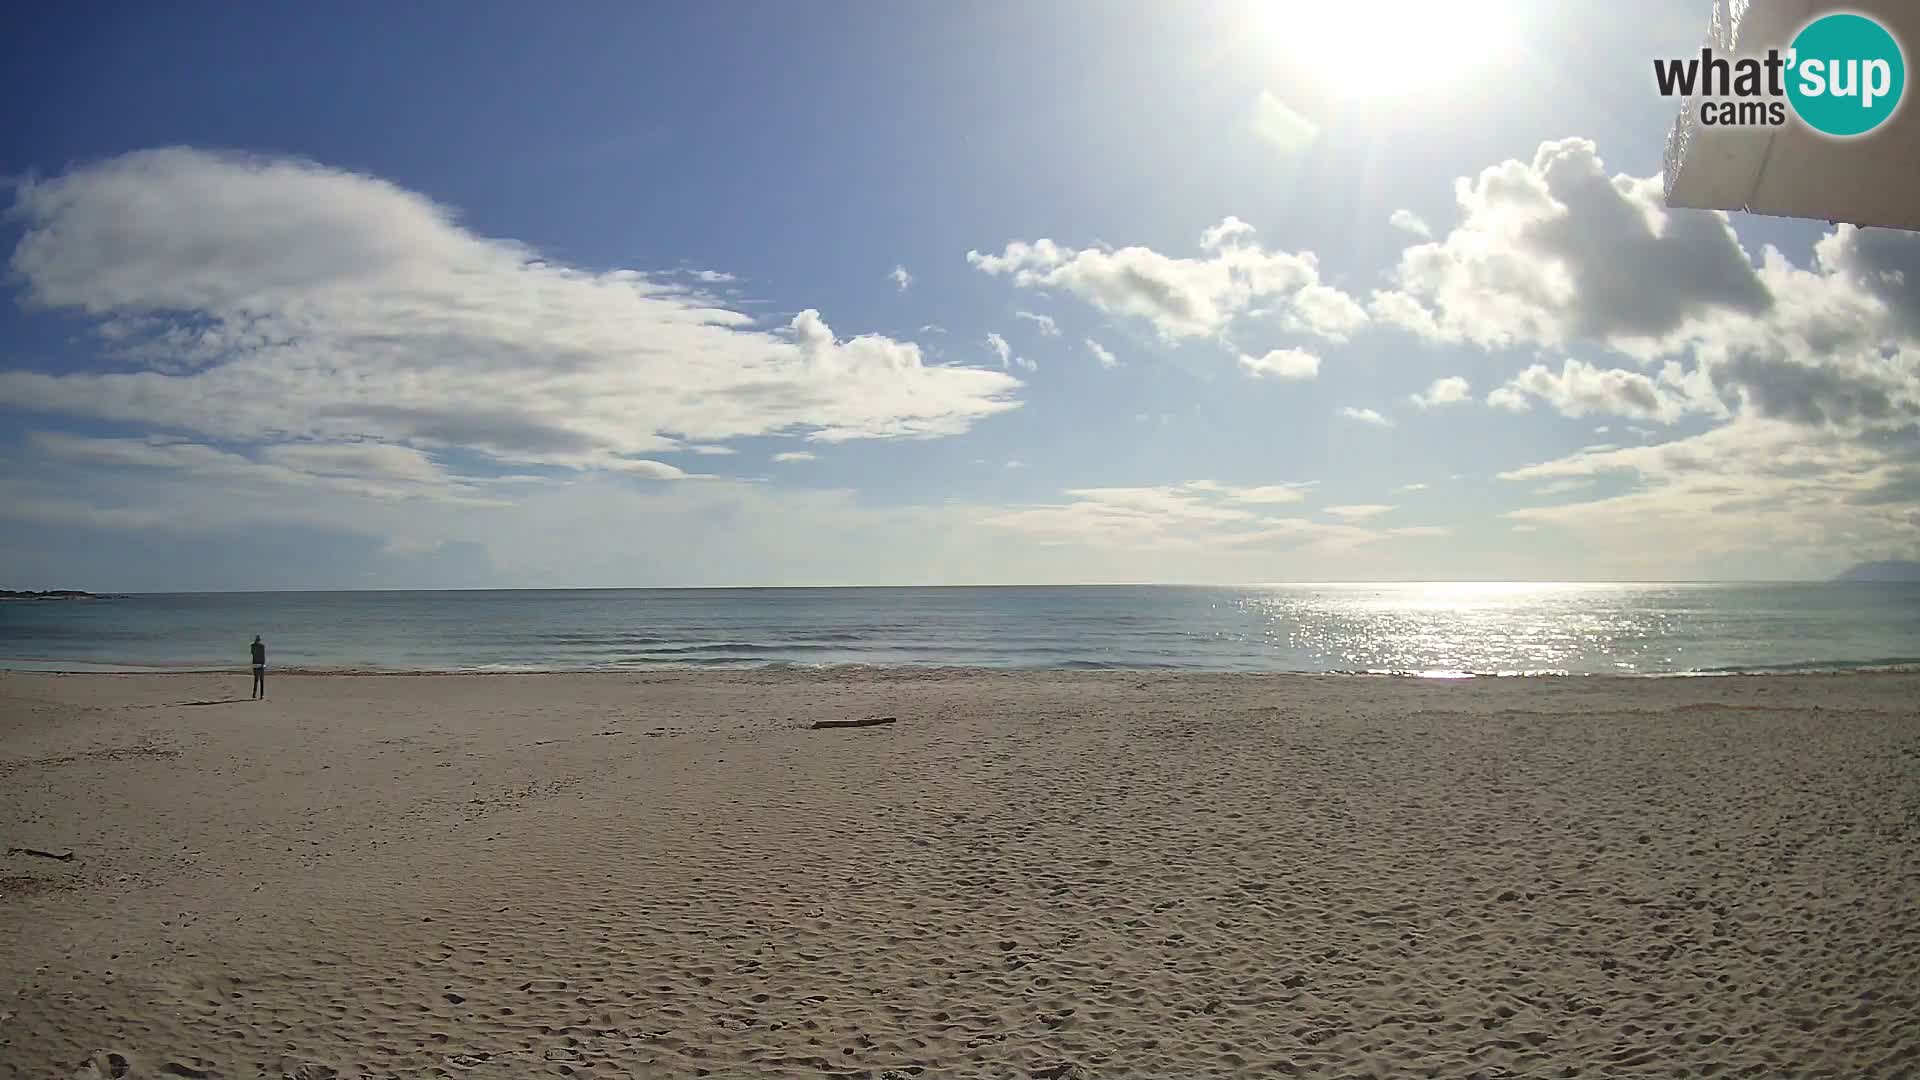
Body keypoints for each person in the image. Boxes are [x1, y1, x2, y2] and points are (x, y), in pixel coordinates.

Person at [250, 635, 267, 700]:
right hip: (260, 664)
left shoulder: (252, 646)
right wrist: (263, 664)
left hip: (255, 664)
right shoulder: (262, 646)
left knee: (256, 680)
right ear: (260, 640)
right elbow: (263, 656)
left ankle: (254, 694)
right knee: (262, 680)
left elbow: (252, 653)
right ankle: (261, 695)